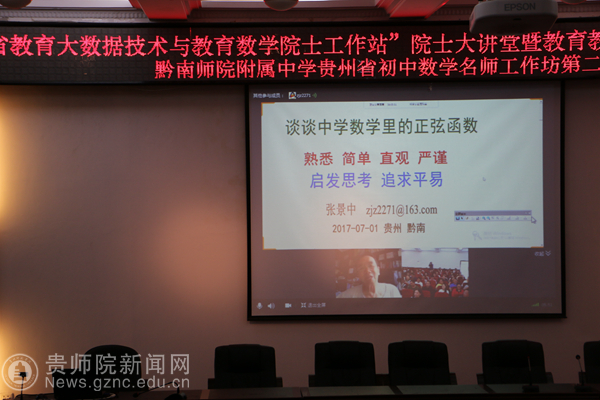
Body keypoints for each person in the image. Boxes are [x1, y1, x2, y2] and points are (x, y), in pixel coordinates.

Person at [337, 255, 401, 298]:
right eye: (361, 268)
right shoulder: (348, 295)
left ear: (378, 270)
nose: (367, 271)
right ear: (358, 275)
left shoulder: (392, 290)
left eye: (371, 266)